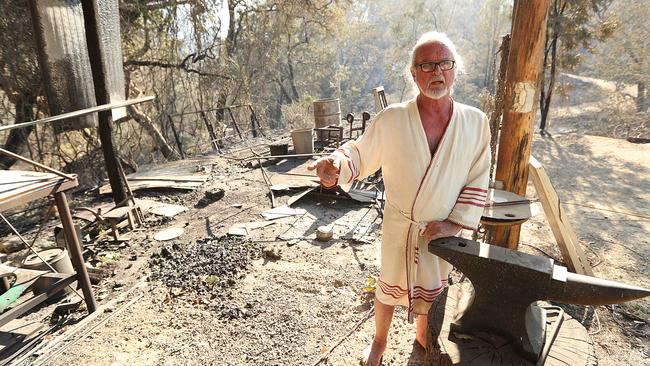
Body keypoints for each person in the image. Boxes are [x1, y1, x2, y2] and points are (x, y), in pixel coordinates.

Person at [307, 31, 491, 365]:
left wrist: (454, 223)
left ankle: (423, 332)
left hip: (442, 229)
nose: (437, 72)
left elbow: (479, 174)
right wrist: (336, 165)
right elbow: (360, 154)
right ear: (413, 73)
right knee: (388, 286)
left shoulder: (476, 123)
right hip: (400, 222)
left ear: (455, 70)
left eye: (444, 63)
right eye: (427, 64)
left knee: (433, 285)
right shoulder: (392, 119)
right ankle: (379, 341)